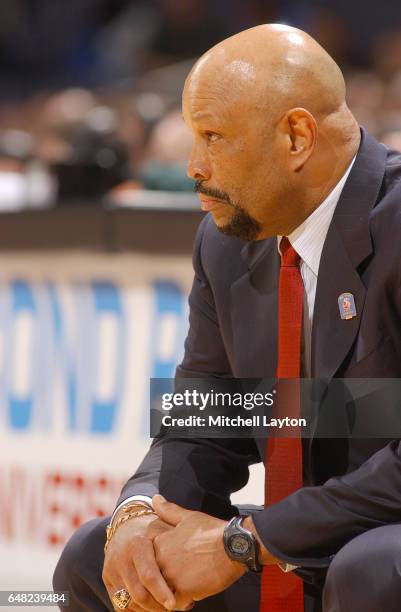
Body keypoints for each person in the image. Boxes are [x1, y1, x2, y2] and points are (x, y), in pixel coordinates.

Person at [54, 24, 401, 612]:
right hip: (305, 541)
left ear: (297, 136)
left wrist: (247, 541)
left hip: (377, 536)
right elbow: (203, 416)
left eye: (213, 137)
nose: (194, 165)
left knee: (368, 571)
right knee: (97, 560)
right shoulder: (226, 243)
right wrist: (141, 515)